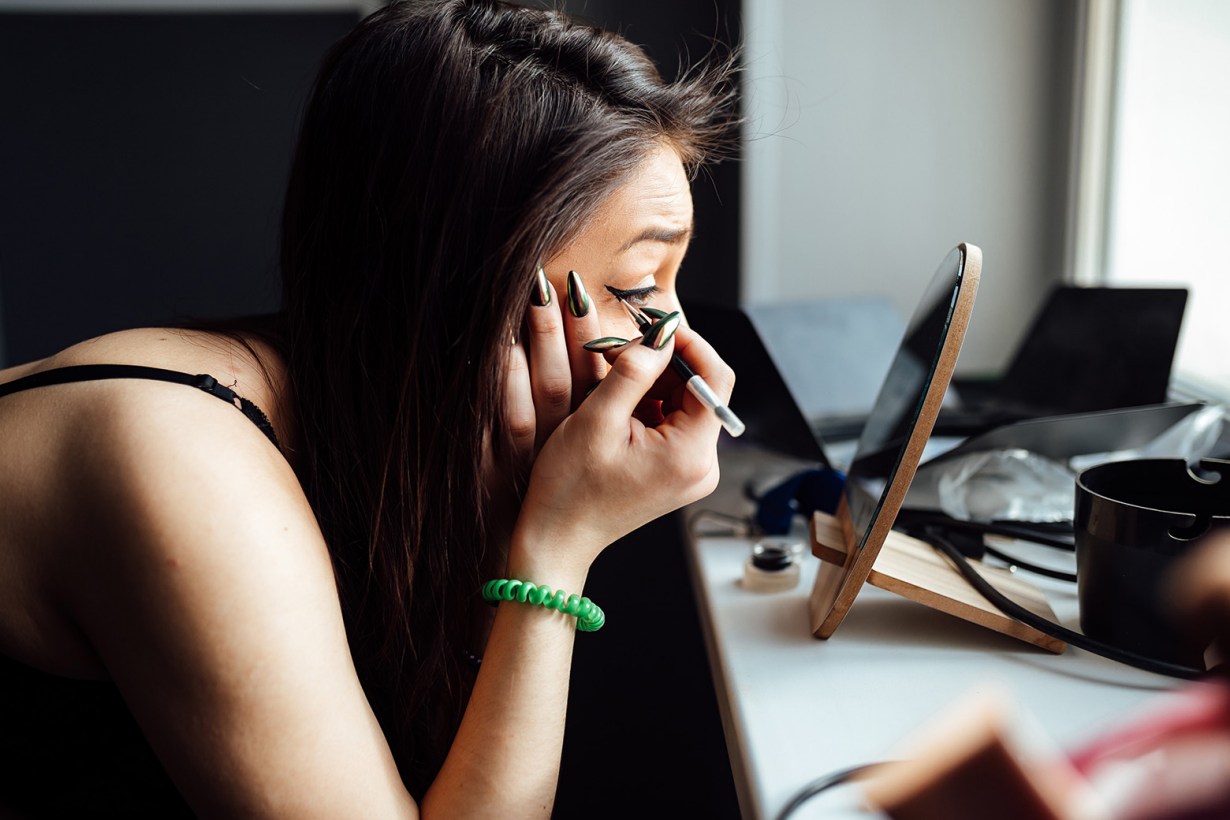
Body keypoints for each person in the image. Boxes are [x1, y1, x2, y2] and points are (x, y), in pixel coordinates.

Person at [0, 0, 738, 815]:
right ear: (470, 288)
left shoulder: (372, 430)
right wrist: (556, 548)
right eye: (638, 290)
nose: (671, 342)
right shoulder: (179, 462)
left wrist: (505, 521)